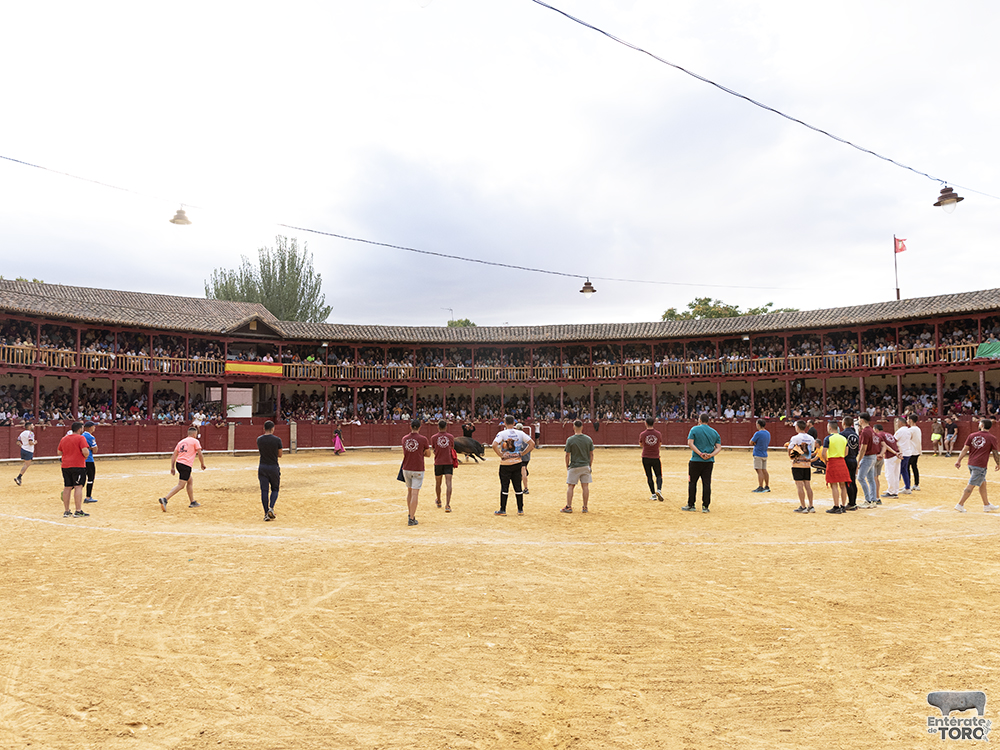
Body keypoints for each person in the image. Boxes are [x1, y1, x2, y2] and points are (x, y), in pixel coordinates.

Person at [954, 418, 1000, 512]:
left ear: (982, 426)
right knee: (971, 485)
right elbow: (995, 453)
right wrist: (998, 463)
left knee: (983, 483)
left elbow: (964, 449)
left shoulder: (972, 435)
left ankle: (986, 505)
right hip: (980, 465)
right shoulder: (992, 438)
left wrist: (959, 460)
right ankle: (960, 504)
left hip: (971, 463)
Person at [492, 416, 534, 516]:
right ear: (514, 423)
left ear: (505, 423)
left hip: (505, 464)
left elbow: (494, 445)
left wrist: (500, 454)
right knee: (518, 486)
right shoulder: (520, 433)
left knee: (504, 486)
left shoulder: (502, 433)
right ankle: (520, 509)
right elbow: (532, 444)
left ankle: (503, 509)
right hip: (517, 462)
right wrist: (523, 453)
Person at [159, 426, 206, 511]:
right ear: (194, 434)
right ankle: (165, 499)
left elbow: (174, 455)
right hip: (186, 465)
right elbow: (200, 454)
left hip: (178, 464)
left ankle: (192, 502)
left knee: (190, 480)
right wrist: (202, 464)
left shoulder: (181, 442)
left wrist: (172, 467)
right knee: (181, 485)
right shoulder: (195, 441)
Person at [684, 413, 721, 512]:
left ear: (699, 420)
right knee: (706, 483)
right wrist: (710, 455)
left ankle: (691, 505)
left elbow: (690, 443)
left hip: (695, 460)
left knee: (692, 483)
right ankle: (705, 506)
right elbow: (719, 447)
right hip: (708, 462)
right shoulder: (714, 432)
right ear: (708, 421)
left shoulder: (694, 429)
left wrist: (700, 454)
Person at [58, 421, 91, 518]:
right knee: (78, 486)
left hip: (65, 466)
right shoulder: (81, 438)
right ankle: (78, 510)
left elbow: (59, 452)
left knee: (67, 487)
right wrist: (84, 456)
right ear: (80, 429)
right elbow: (85, 451)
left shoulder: (64, 439)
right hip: (78, 465)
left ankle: (67, 511)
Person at [401, 419, 431, 526]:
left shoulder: (404, 439)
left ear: (410, 427)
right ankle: (412, 518)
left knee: (409, 492)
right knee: (414, 493)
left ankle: (410, 514)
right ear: (420, 427)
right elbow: (428, 454)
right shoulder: (423, 439)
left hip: (406, 468)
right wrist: (420, 452)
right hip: (417, 468)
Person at [563, 419, 594, 513]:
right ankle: (585, 507)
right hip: (585, 465)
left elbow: (567, 455)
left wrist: (567, 466)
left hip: (574, 466)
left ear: (573, 427)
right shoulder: (588, 439)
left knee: (570, 486)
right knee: (585, 486)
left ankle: (569, 506)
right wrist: (589, 465)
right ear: (582, 427)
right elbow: (591, 454)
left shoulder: (570, 439)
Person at [821, 421, 851, 514]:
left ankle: (836, 506)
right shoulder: (843, 438)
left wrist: (826, 462)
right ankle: (843, 506)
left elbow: (823, 453)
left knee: (834, 485)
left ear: (830, 427)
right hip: (842, 461)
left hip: (832, 462)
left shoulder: (828, 438)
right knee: (843, 485)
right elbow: (846, 453)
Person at [787, 420, 816, 513]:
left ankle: (803, 506)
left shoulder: (795, 438)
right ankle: (811, 506)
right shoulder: (811, 438)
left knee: (799, 485)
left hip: (797, 464)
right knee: (807, 485)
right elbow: (811, 452)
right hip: (807, 464)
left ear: (798, 427)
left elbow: (790, 449)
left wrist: (791, 457)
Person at [257, 420, 283, 521]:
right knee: (275, 489)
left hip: (262, 467)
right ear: (273, 428)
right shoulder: (277, 440)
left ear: (264, 428)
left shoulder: (259, 439)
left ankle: (265, 513)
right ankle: (271, 508)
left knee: (264, 490)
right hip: (273, 467)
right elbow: (280, 455)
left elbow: (262, 451)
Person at [856, 413, 881, 508]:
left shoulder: (865, 432)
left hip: (867, 457)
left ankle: (868, 500)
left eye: (859, 419)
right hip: (873, 456)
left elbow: (863, 448)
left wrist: (858, 461)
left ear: (862, 420)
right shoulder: (871, 430)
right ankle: (873, 500)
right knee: (871, 479)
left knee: (860, 478)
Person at [639, 416, 665, 501]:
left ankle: (653, 494)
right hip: (655, 457)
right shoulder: (658, 434)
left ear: (645, 423)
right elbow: (659, 444)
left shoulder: (642, 434)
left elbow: (641, 445)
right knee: (658, 475)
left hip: (646, 457)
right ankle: (659, 490)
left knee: (649, 476)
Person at [432, 419, 455, 512]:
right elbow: (452, 448)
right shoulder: (450, 437)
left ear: (437, 427)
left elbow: (434, 448)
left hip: (438, 462)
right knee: (448, 483)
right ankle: (448, 505)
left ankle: (439, 501)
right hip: (448, 462)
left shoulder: (433, 437)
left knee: (438, 483)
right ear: (446, 427)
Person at [876, 423, 901, 500]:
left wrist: (894, 453)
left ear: (876, 429)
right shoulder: (888, 434)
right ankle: (895, 491)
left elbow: (886, 446)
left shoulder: (880, 435)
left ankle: (891, 492)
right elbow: (897, 443)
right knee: (896, 474)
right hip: (897, 455)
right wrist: (899, 452)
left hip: (891, 456)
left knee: (889, 474)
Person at [840, 416, 860, 510]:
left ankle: (851, 503)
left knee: (847, 482)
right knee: (853, 481)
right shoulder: (855, 434)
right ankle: (853, 502)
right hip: (854, 459)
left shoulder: (842, 434)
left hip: (846, 459)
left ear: (844, 423)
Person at [748, 418, 770, 493]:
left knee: (759, 470)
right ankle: (767, 486)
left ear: (758, 425)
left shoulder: (758, 433)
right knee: (764, 470)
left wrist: (754, 443)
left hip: (758, 454)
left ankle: (760, 487)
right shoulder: (767, 433)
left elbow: (751, 442)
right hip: (764, 453)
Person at [893, 417, 914, 495]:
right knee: (904, 470)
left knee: (897, 471)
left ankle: (894, 489)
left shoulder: (900, 431)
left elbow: (893, 440)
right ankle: (907, 487)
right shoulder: (908, 430)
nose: (896, 424)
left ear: (901, 423)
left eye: (897, 422)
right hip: (907, 453)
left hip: (902, 453)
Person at [14, 420, 36, 485]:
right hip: (29, 450)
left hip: (23, 450)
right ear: (29, 427)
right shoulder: (31, 433)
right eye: (32, 425)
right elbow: (30, 442)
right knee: (27, 465)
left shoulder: (22, 433)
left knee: (25, 464)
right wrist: (35, 443)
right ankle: (19, 477)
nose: (33, 426)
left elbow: (17, 442)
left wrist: (22, 446)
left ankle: (19, 478)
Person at [906, 414, 923, 491]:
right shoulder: (918, 429)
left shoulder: (910, 430)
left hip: (911, 451)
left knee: (906, 468)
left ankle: (907, 485)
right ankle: (916, 484)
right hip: (917, 450)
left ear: (910, 420)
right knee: (914, 467)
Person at [83, 421, 98, 503]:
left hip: (81, 460)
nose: (94, 428)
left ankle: (68, 490)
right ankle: (88, 497)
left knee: (80, 479)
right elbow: (95, 450)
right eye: (93, 426)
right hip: (89, 460)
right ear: (90, 428)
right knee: (90, 478)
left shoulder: (81, 436)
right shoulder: (91, 437)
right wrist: (91, 448)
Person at [515, 423, 532, 495]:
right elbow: (531, 446)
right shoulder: (527, 436)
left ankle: (525, 488)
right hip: (527, 457)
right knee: (522, 470)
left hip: (519, 457)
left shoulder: (515, 438)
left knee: (522, 472)